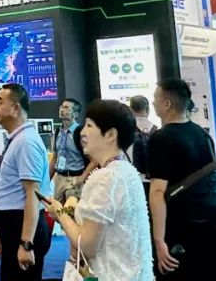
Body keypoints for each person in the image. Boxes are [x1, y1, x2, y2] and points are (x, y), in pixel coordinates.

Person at [45, 100, 152, 281]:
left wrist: (60, 213)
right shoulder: (126, 170)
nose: (83, 132)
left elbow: (87, 246)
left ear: (110, 134)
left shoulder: (105, 177)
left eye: (89, 126)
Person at [149, 78, 216, 280]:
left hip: (181, 231)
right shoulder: (202, 134)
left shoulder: (162, 138)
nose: (153, 102)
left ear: (167, 103)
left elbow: (158, 192)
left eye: (155, 98)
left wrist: (159, 240)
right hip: (213, 228)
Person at [0, 83, 51, 281]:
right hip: (13, 228)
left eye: (0, 102)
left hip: (22, 228)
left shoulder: (26, 142)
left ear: (16, 108)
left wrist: (26, 243)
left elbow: (32, 195)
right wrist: (2, 234)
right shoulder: (17, 139)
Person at [51, 98, 88, 206]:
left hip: (74, 178)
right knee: (57, 211)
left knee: (71, 211)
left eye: (66, 108)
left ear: (75, 114)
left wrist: (82, 178)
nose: (62, 110)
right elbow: (55, 158)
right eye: (61, 107)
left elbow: (94, 160)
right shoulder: (58, 131)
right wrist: (46, 180)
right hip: (59, 177)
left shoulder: (80, 133)